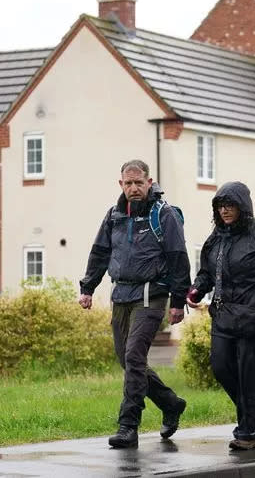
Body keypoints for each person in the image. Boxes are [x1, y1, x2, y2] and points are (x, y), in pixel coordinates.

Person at [78, 159, 191, 449]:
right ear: (121, 185)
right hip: (121, 296)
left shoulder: (163, 215)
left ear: (149, 183)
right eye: (128, 183)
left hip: (151, 296)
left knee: (134, 356)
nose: (134, 188)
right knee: (127, 360)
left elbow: (178, 257)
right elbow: (100, 252)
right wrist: (88, 287)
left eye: (139, 183)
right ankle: (171, 403)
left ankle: (128, 426)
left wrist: (178, 301)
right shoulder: (114, 214)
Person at [186, 181, 255, 450]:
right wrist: (197, 289)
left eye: (230, 205)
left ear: (242, 207)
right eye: (220, 206)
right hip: (225, 315)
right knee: (221, 367)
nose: (225, 211)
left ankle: (248, 431)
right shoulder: (216, 238)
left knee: (249, 372)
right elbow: (207, 272)